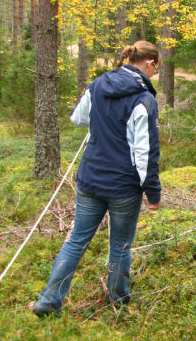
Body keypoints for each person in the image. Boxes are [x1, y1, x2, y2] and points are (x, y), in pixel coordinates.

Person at [33, 40, 162, 316]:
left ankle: (48, 301)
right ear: (149, 63)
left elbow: (78, 119)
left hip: (90, 180)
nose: (154, 74)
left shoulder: (99, 84)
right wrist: (153, 192)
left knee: (77, 240)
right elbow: (145, 153)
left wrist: (103, 120)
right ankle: (119, 301)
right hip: (123, 187)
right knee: (120, 244)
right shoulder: (144, 99)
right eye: (156, 68)